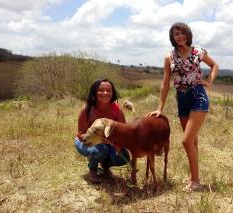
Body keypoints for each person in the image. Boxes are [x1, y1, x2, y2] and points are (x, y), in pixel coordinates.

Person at [147, 22, 219, 191]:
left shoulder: (198, 51)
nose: (179, 36)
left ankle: (195, 182)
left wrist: (209, 81)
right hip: (182, 98)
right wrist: (160, 108)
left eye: (182, 33)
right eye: (175, 34)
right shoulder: (169, 57)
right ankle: (193, 176)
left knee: (186, 141)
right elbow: (165, 83)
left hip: (198, 96)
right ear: (172, 38)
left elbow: (215, 65)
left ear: (188, 34)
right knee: (193, 141)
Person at [74, 79, 130, 184]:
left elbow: (123, 132)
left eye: (109, 90)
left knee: (123, 157)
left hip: (109, 142)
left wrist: (117, 143)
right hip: (86, 142)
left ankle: (105, 166)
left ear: (112, 93)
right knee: (99, 150)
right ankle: (93, 169)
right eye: (101, 90)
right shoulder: (87, 109)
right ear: (95, 92)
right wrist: (99, 139)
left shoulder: (117, 110)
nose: (105, 93)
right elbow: (80, 134)